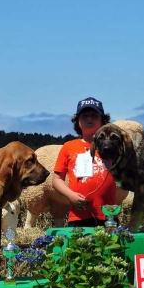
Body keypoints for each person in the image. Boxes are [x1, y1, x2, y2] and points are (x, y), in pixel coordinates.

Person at [53, 97, 116, 227]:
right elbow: (57, 179)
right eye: (84, 116)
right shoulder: (68, 147)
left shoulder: (113, 147)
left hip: (108, 215)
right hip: (78, 216)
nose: (89, 119)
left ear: (103, 120)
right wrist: (71, 195)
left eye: (94, 116)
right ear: (77, 121)